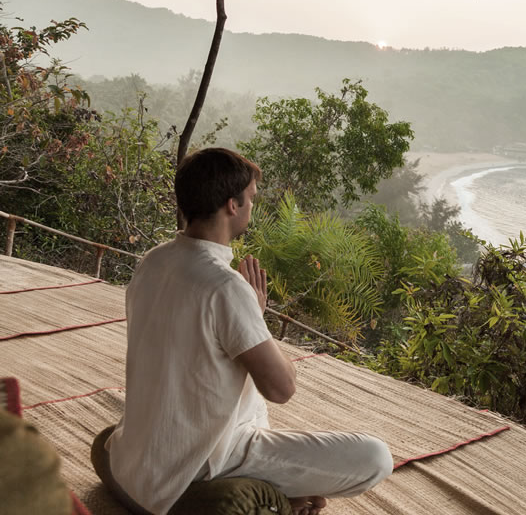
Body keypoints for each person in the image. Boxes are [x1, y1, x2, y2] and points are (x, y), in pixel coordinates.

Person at [105, 147, 392, 515]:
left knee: (248, 402)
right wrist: (257, 317)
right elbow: (282, 388)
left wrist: (248, 317)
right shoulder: (224, 286)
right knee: (375, 457)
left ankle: (278, 493)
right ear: (232, 206)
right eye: (252, 199)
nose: (253, 208)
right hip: (195, 465)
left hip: (137, 460)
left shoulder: (153, 260)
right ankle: (270, 496)